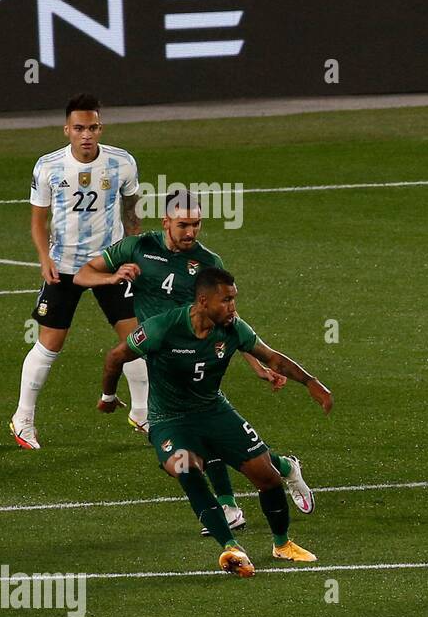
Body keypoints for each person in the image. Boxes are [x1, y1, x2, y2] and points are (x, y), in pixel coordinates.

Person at [74, 189, 297, 534]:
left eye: (196, 224)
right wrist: (112, 278)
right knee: (200, 425)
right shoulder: (137, 247)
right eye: (183, 224)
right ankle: (280, 467)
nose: (191, 232)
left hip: (199, 350)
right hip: (159, 350)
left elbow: (228, 316)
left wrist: (256, 362)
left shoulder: (209, 261)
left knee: (200, 423)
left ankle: (229, 506)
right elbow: (82, 274)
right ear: (166, 222)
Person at [99, 268, 332, 577]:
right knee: (186, 468)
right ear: (204, 300)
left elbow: (271, 357)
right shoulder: (162, 328)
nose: (233, 307)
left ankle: (283, 545)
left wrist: (311, 382)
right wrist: (108, 395)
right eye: (227, 300)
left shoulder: (233, 327)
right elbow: (116, 357)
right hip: (170, 420)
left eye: (234, 299)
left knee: (268, 477)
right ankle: (231, 546)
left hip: (213, 410)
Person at [10, 94, 145, 450]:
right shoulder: (48, 167)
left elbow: (131, 215)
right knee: (50, 344)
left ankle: (143, 414)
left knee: (135, 339)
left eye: (93, 127)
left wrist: (137, 255)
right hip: (65, 267)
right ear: (67, 129)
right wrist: (44, 258)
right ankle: (23, 418)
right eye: (79, 128)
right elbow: (38, 221)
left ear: (101, 128)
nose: (86, 134)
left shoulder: (123, 163)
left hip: (110, 262)